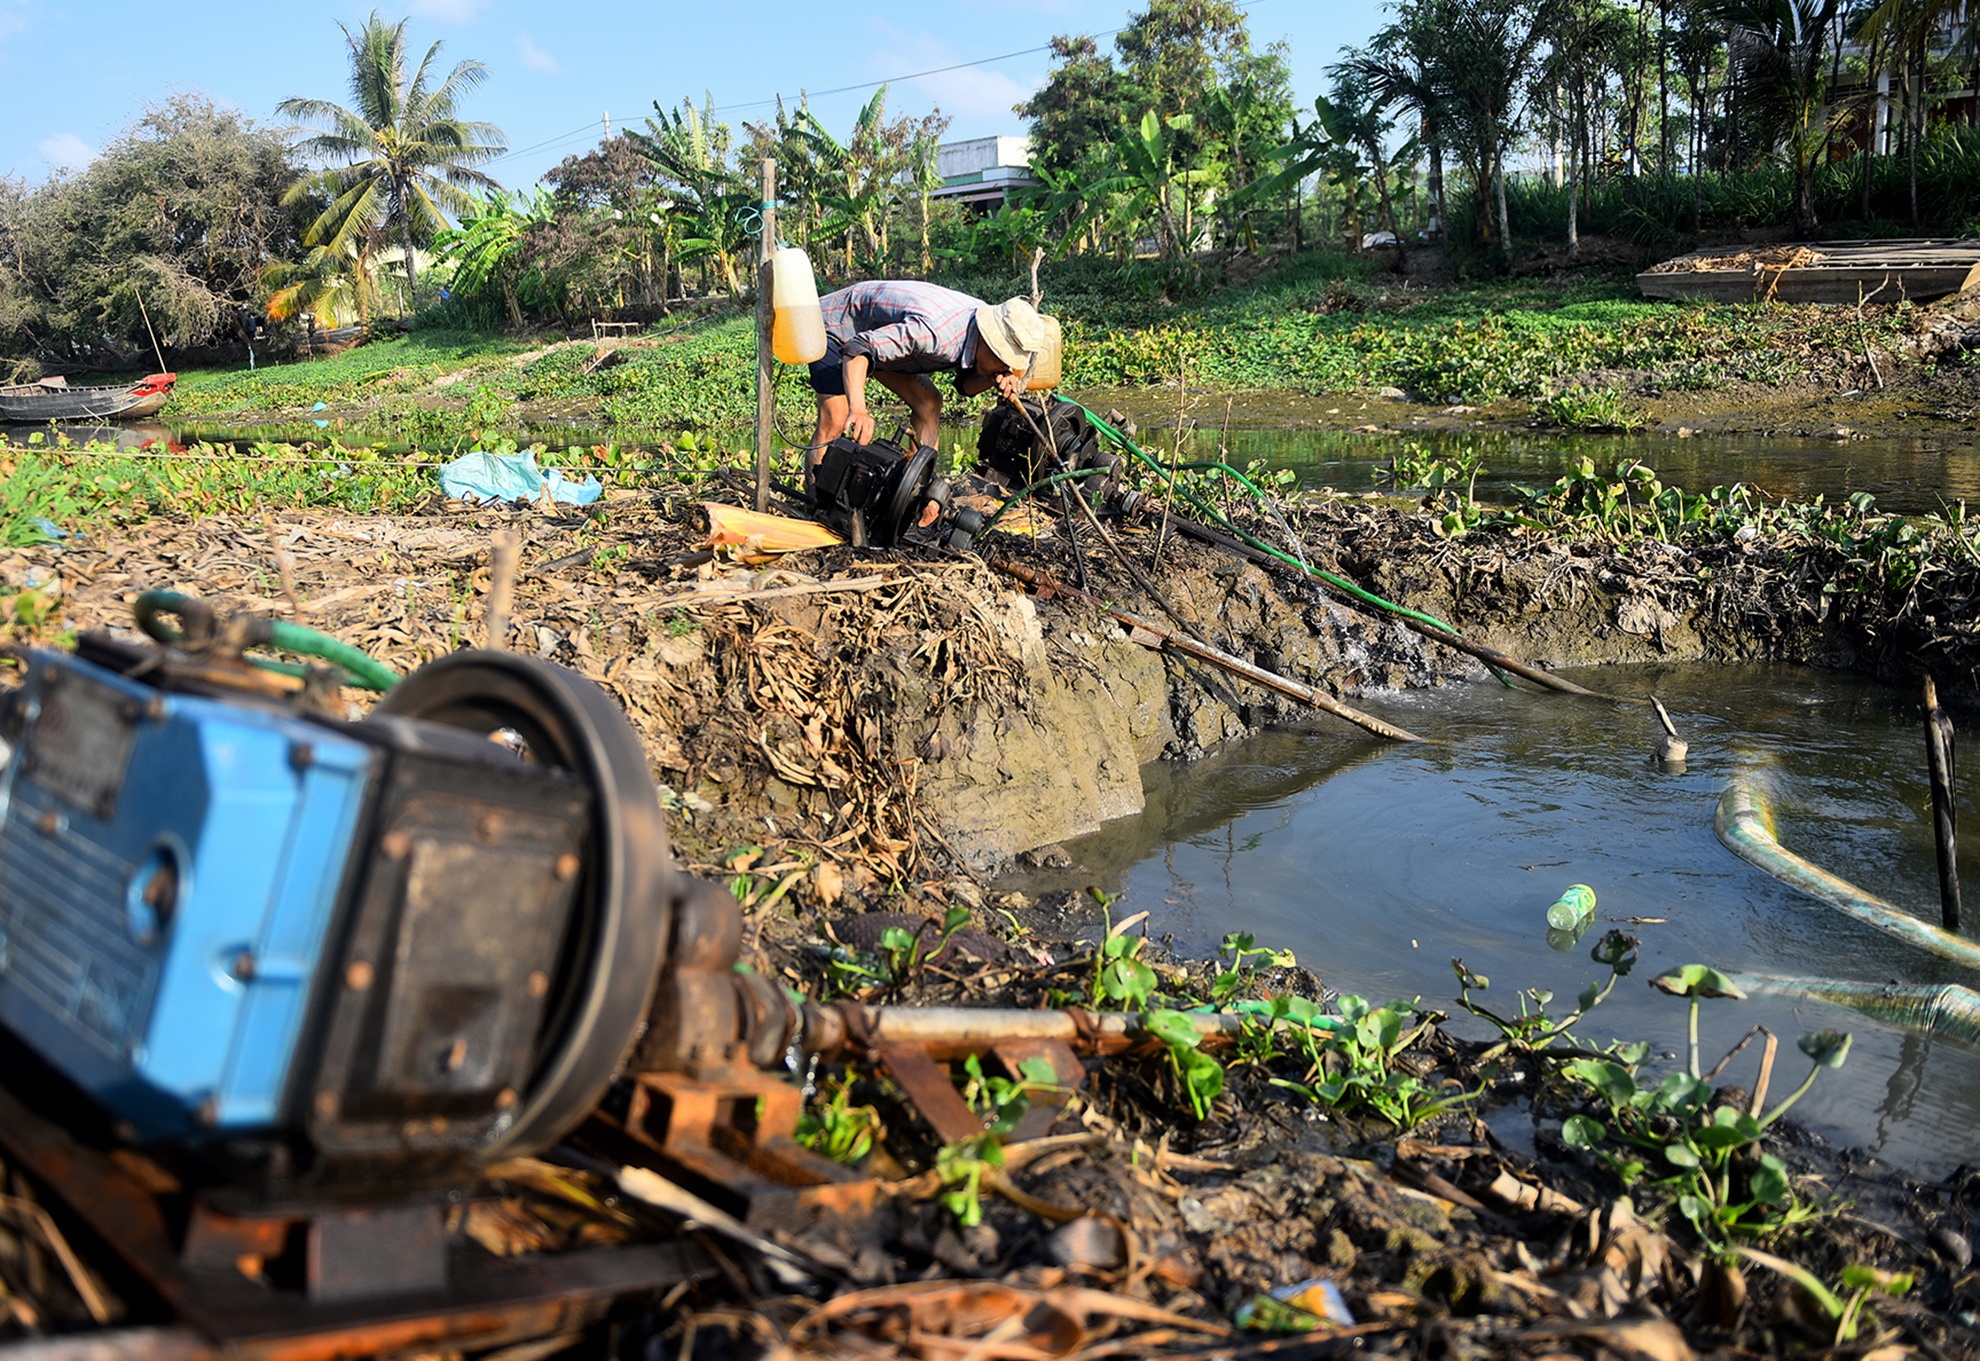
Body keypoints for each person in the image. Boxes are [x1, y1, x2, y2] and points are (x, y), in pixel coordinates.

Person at [807, 281, 1047, 463]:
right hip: (836, 329)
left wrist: (995, 379)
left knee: (929, 402)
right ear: (989, 341)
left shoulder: (978, 331)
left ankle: (917, 484)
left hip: (880, 339)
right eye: (1003, 360)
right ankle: (814, 498)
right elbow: (858, 349)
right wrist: (858, 409)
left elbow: (964, 387)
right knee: (836, 418)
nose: (1006, 367)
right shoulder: (934, 335)